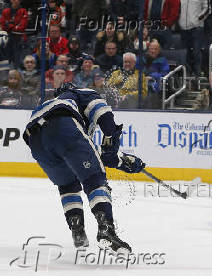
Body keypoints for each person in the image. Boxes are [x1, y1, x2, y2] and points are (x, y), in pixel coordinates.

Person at [22, 83, 145, 253]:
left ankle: (77, 230)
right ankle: (106, 231)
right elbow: (105, 118)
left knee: (68, 185)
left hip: (34, 138)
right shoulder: (82, 94)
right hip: (62, 125)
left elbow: (90, 156)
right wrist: (112, 142)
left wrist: (121, 161)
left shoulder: (53, 104)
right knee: (95, 180)